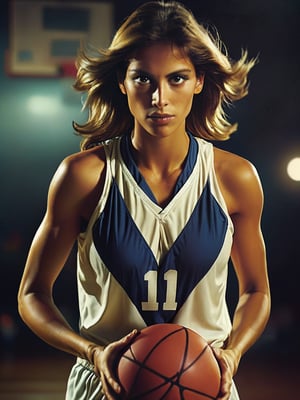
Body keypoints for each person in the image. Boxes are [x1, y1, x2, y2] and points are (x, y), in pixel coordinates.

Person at [18, 1, 271, 399]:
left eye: (176, 79)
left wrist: (233, 353)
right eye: (143, 79)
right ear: (122, 81)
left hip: (207, 387)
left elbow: (256, 291)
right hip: (107, 385)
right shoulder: (83, 176)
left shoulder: (234, 178)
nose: (159, 97)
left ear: (199, 81)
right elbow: (31, 295)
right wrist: (92, 352)